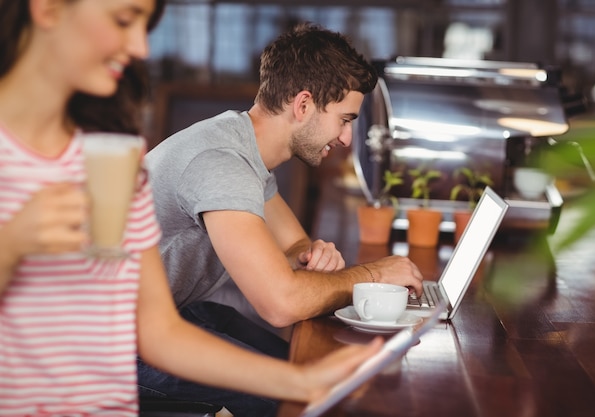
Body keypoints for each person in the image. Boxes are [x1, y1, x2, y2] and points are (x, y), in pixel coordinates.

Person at [0, 1, 385, 416]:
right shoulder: (216, 157)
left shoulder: (111, 150)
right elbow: (280, 303)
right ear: (48, 9)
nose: (141, 48)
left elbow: (156, 330)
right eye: (125, 20)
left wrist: (302, 381)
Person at [142, 22, 425, 415]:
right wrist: (374, 275)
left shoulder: (243, 149)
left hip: (167, 313)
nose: (345, 139)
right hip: (107, 345)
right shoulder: (221, 162)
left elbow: (295, 246)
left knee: (306, 368)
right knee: (302, 400)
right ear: (303, 105)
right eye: (345, 119)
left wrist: (308, 257)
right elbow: (280, 304)